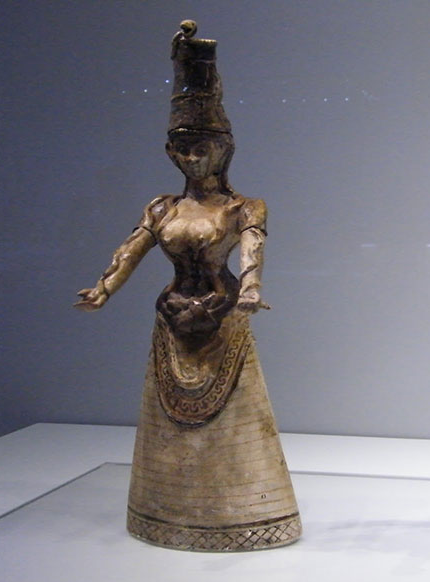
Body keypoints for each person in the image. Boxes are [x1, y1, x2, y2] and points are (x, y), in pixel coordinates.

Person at [75, 21, 301, 551]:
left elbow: (252, 250)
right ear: (171, 152)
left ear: (224, 149)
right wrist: (104, 289)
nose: (191, 158)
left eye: (200, 148)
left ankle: (250, 519)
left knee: (234, 419)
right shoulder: (162, 208)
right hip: (173, 315)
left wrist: (250, 290)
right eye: (182, 150)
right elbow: (131, 249)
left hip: (223, 316)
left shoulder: (244, 207)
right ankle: (161, 515)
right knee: (169, 420)